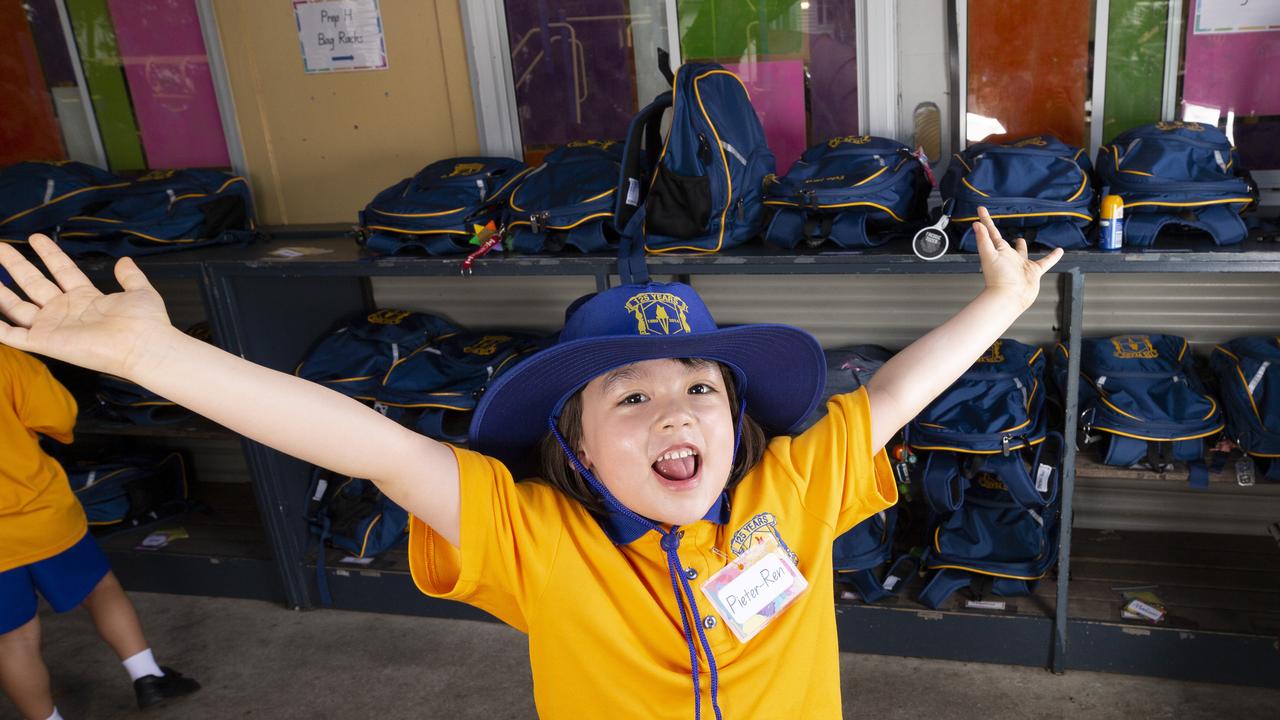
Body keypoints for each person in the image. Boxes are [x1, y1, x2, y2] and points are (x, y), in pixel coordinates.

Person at [0, 208, 1061, 718]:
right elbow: (369, 444)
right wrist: (159, 356)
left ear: (736, 420)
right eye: (628, 395)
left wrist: (998, 303)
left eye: (700, 387)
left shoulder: (790, 484)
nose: (673, 411)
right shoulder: (531, 534)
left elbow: (890, 395)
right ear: (573, 443)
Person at [0, 344, 201, 719]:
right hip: (41, 515)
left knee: (14, 637)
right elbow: (59, 419)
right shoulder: (9, 362)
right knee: (100, 587)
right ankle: (148, 677)